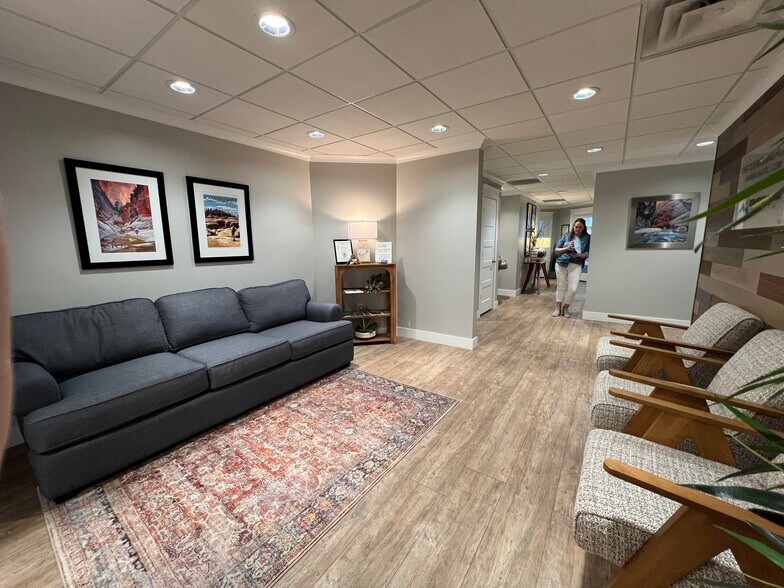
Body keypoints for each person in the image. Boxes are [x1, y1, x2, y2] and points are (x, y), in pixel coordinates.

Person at [552, 218, 590, 318]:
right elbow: (556, 250)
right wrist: (567, 248)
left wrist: (581, 255)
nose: (577, 229)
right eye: (576, 227)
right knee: (560, 287)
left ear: (584, 228)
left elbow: (587, 252)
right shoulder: (566, 235)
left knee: (573, 289)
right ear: (573, 226)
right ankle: (557, 308)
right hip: (561, 263)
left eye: (580, 227)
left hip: (576, 264)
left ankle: (566, 307)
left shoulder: (587, 237)